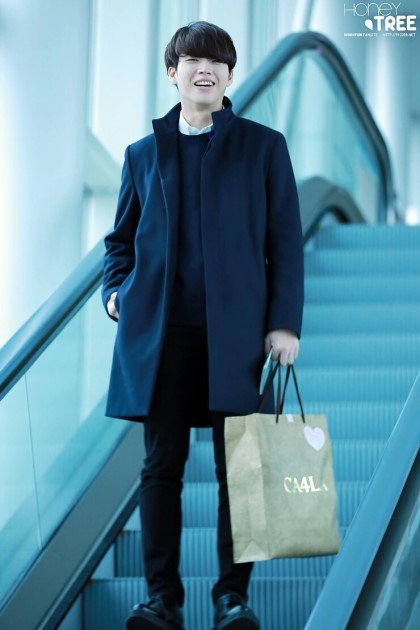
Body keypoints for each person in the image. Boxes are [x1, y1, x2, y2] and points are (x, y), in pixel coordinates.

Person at [102, 20, 304, 630]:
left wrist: (285, 324)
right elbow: (119, 243)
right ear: (173, 72)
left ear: (230, 75)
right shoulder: (143, 154)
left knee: (240, 469)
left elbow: (285, 243)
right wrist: (116, 296)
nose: (205, 70)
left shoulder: (263, 147)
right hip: (159, 340)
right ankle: (161, 600)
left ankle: (231, 599)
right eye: (192, 60)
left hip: (237, 339)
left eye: (217, 61)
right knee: (160, 468)